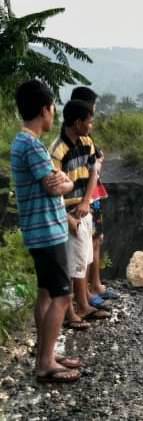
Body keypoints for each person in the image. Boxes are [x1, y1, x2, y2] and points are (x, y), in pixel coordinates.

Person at [11, 80, 81, 382]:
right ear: (45, 110)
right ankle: (45, 363)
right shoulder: (33, 145)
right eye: (53, 108)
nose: (53, 114)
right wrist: (65, 181)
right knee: (62, 298)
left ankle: (46, 352)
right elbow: (55, 188)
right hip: (48, 232)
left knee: (45, 294)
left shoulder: (21, 142)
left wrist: (63, 180)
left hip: (37, 230)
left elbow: (59, 181)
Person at [50, 100, 110, 328]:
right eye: (89, 122)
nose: (91, 126)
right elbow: (52, 188)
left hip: (83, 208)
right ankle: (72, 312)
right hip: (67, 211)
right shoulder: (57, 150)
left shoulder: (86, 142)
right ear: (77, 123)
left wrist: (86, 202)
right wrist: (67, 217)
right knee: (72, 263)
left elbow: (94, 171)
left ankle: (83, 305)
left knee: (83, 258)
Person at [70, 87, 119, 303]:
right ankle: (87, 292)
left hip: (92, 194)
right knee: (87, 244)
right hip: (85, 198)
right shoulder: (76, 139)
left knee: (96, 240)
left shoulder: (86, 136)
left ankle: (95, 286)